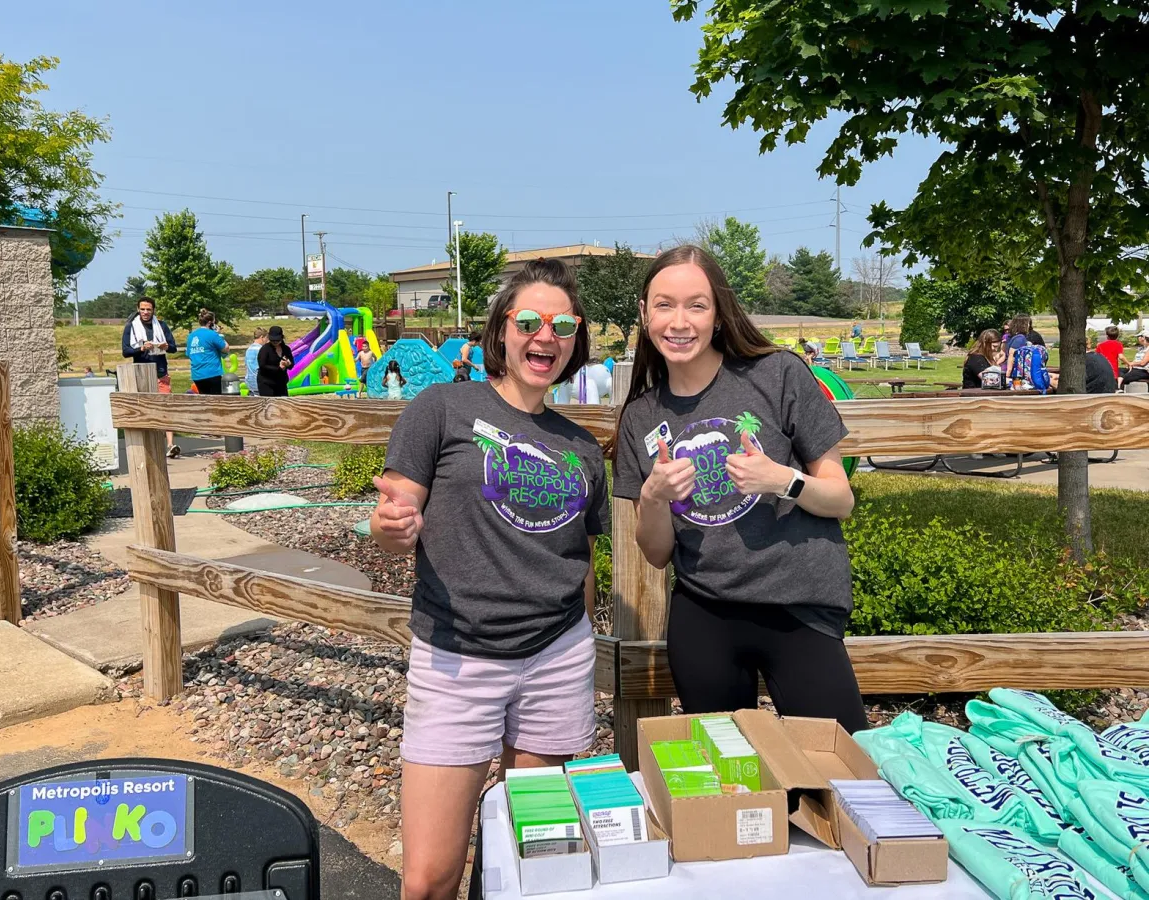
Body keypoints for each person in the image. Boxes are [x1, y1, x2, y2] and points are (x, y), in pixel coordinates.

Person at [369, 258, 607, 900]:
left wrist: (581, 641)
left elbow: (579, 562)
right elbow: (395, 518)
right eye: (528, 320)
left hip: (556, 661)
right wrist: (392, 529)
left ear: (575, 340)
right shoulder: (442, 406)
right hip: (456, 659)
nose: (545, 336)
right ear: (501, 331)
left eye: (562, 325)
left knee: (524, 863)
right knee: (429, 877)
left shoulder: (583, 448)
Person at [613, 245, 866, 735]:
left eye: (696, 305)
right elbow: (657, 552)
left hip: (799, 602)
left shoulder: (778, 374)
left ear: (719, 314)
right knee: (730, 783)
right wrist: (653, 497)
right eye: (664, 304)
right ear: (644, 314)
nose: (679, 321)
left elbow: (842, 499)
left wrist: (781, 479)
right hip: (706, 611)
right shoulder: (641, 415)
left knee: (839, 772)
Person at [121, 296, 180, 457]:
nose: (145, 312)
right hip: (142, 374)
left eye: (148, 309)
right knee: (147, 410)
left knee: (166, 407)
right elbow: (126, 351)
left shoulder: (161, 326)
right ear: (138, 309)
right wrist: (141, 348)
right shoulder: (131, 327)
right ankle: (149, 446)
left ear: (153, 310)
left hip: (161, 371)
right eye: (142, 309)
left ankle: (170, 444)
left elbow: (174, 348)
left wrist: (166, 346)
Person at [186, 309, 229, 396]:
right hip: (212, 373)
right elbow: (225, 348)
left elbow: (188, 354)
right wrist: (219, 334)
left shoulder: (191, 336)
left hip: (197, 375)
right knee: (216, 401)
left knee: (204, 399)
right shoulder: (212, 334)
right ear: (210, 323)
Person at [257, 326, 293, 397]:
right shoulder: (265, 349)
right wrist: (278, 368)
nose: (275, 342)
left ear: (282, 338)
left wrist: (288, 364)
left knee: (283, 403)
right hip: (266, 382)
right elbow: (262, 365)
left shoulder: (286, 349)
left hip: (281, 382)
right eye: (273, 340)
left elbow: (291, 365)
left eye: (277, 340)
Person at [1003, 313, 1034, 385]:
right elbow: (1011, 355)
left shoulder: (1014, 336)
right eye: (1028, 323)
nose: (1029, 326)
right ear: (1022, 325)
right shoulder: (1020, 338)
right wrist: (1007, 374)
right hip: (1013, 373)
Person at [245, 327, 267, 396]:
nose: (267, 341)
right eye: (266, 338)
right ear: (262, 337)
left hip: (249, 382)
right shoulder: (261, 350)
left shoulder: (248, 349)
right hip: (259, 382)